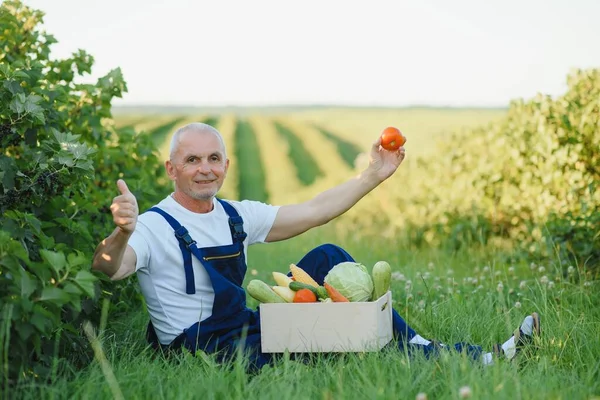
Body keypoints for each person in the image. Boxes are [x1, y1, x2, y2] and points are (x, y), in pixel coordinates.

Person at [92, 122, 540, 370]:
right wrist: (122, 232)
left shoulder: (234, 214)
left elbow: (314, 210)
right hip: (199, 349)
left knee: (329, 256)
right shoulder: (153, 225)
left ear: (226, 164)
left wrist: (373, 176)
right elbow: (108, 268)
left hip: (244, 326)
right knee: (329, 338)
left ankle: (424, 346)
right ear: (172, 169)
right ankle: (447, 358)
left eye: (213, 159)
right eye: (192, 160)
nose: (204, 169)